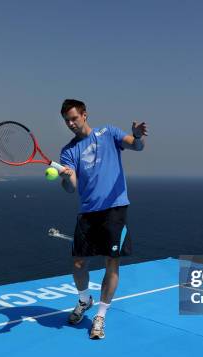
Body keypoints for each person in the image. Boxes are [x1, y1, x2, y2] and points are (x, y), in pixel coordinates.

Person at [58, 99, 147, 339]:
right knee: (78, 263)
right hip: (87, 211)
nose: (70, 123)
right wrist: (66, 177)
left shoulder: (109, 133)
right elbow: (71, 187)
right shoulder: (68, 151)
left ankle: (100, 315)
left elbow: (136, 147)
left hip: (114, 209)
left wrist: (136, 136)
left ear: (84, 115)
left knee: (111, 262)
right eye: (66, 120)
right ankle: (84, 299)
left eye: (74, 118)